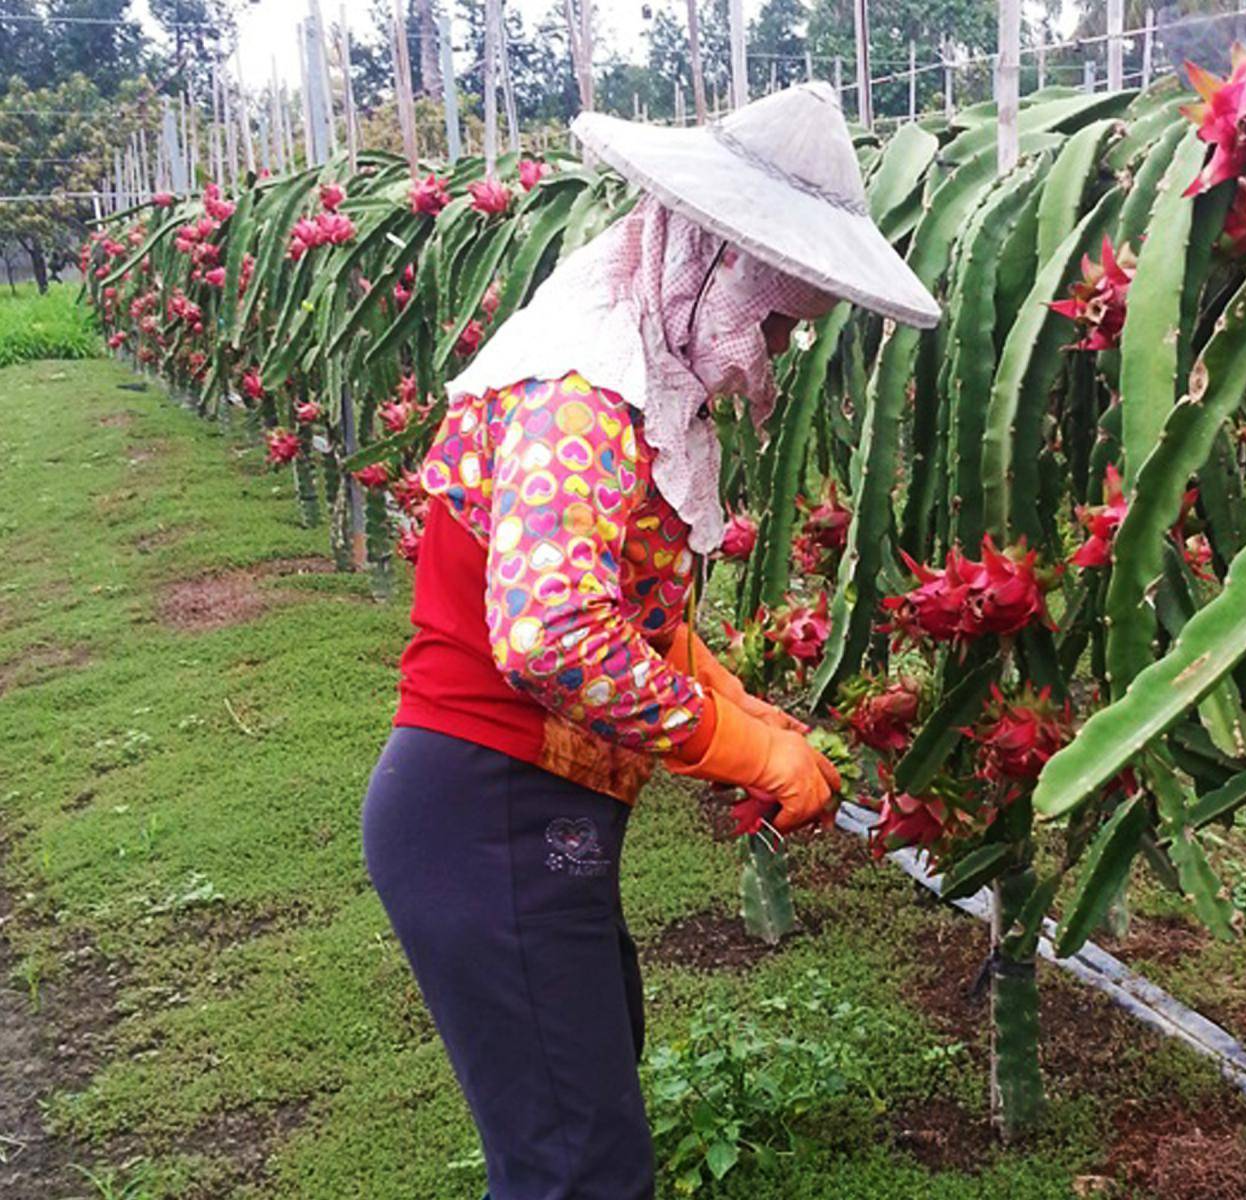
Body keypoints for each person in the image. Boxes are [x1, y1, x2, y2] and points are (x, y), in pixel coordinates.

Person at [361, 83, 939, 1199]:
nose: (772, 350)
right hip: (489, 812)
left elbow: (624, 610)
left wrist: (733, 695)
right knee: (580, 1170)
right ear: (716, 262)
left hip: (522, 820)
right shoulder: (583, 391)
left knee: (574, 1138)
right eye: (777, 319)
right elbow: (553, 637)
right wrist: (743, 747)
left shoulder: (629, 368)